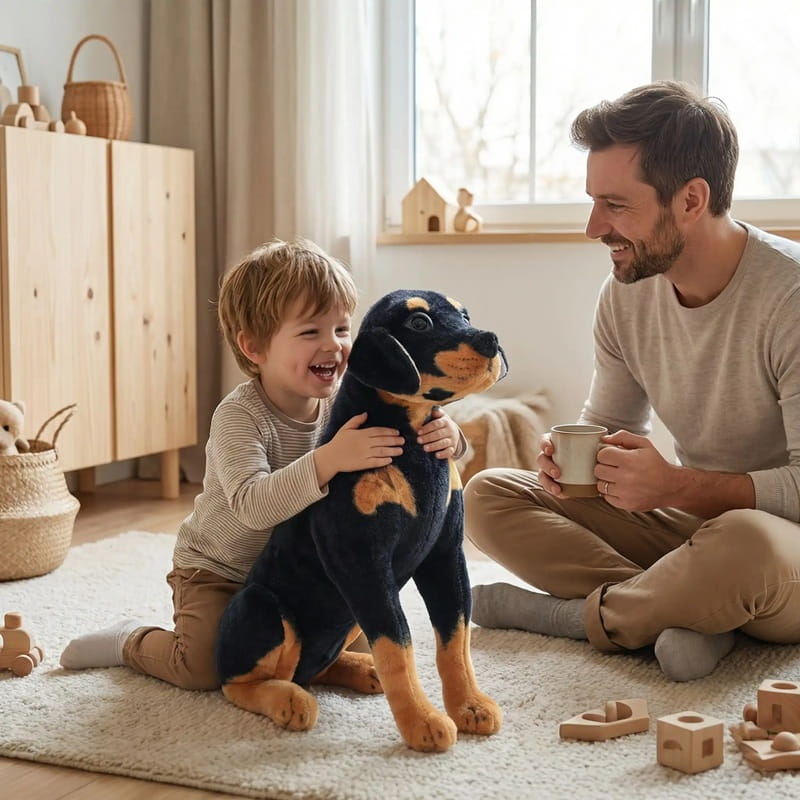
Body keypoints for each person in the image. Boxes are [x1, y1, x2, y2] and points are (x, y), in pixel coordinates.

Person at [464, 81, 800, 682]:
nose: (594, 227)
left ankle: (575, 619)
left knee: (743, 543)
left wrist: (674, 485)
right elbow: (609, 427)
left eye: (616, 205)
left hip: (778, 548)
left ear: (691, 200)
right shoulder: (625, 295)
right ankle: (691, 615)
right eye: (594, 201)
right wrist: (571, 465)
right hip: (697, 536)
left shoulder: (791, 298)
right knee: (488, 497)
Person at [60, 238, 465, 689]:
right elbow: (252, 505)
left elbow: (410, 425)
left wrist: (450, 437)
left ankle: (315, 661)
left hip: (302, 572)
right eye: (311, 332)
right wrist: (328, 459)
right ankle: (130, 640)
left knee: (368, 637)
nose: (333, 346)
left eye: (342, 329)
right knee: (205, 668)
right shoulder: (240, 417)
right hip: (222, 571)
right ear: (254, 347)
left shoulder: (348, 399)